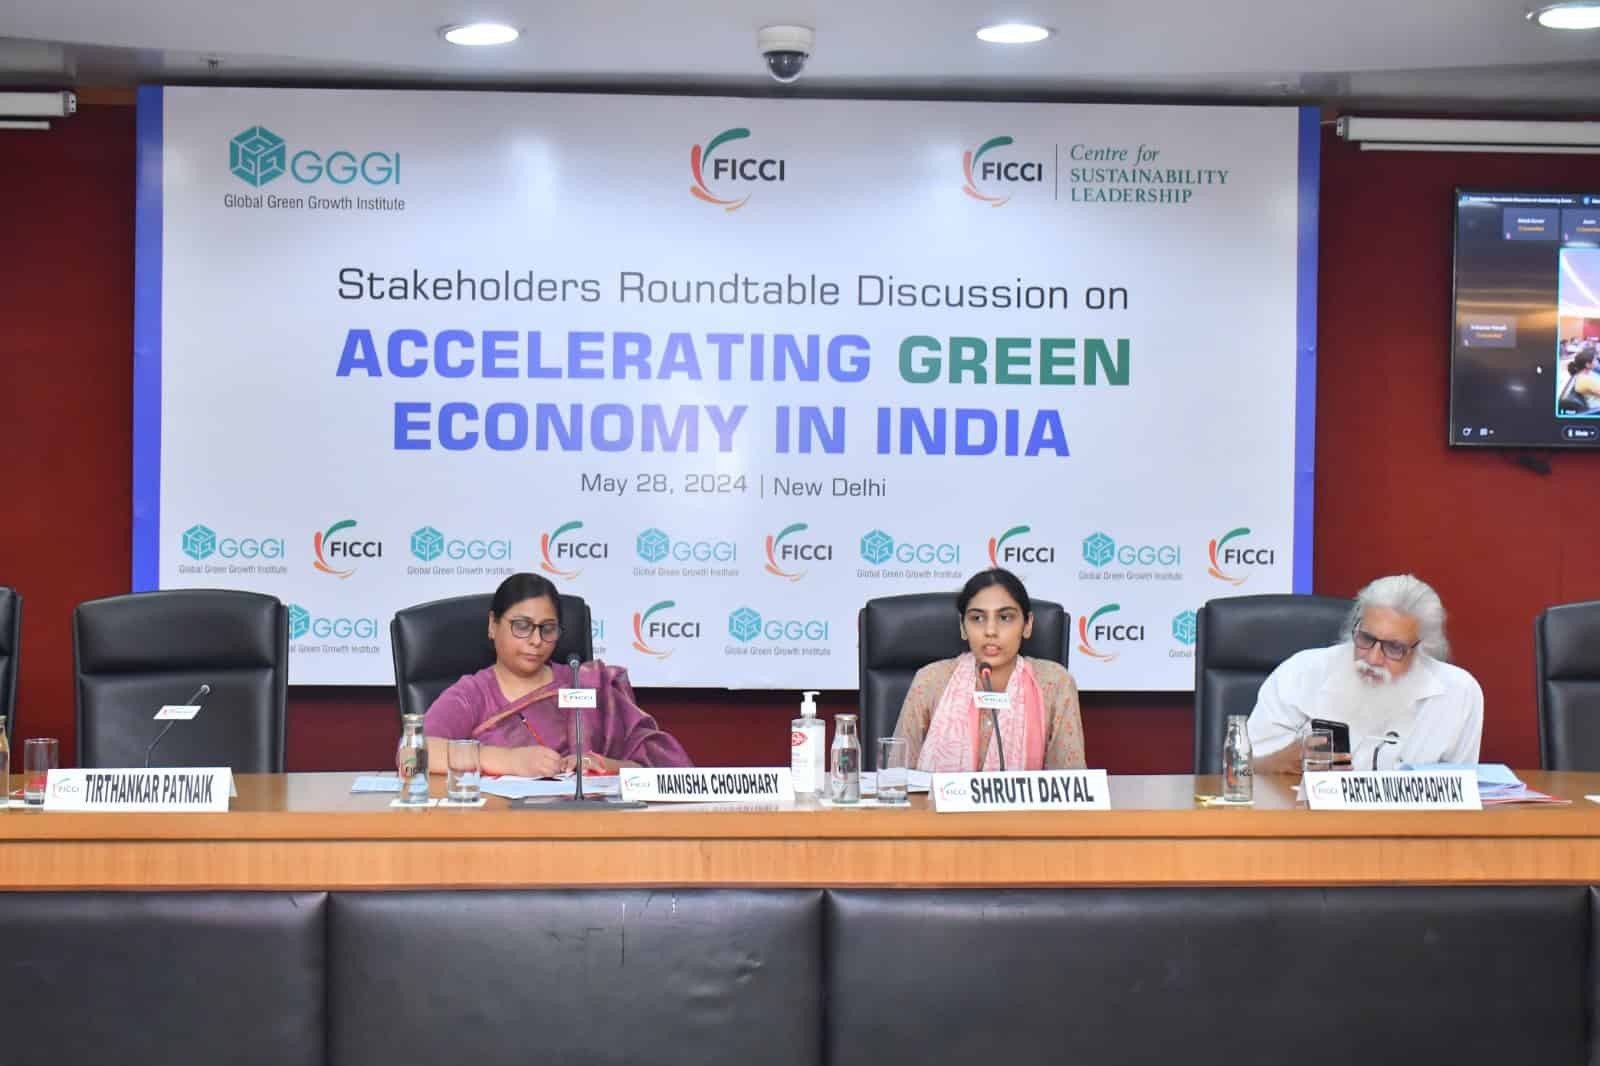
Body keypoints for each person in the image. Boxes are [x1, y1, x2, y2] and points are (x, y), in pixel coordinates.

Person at [423, 573, 691, 775]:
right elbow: (413, 753)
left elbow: (657, 768)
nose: (536, 640)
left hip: (590, 824)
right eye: (522, 626)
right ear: (493, 625)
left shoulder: (587, 685)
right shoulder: (472, 694)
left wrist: (603, 766)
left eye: (547, 629)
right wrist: (508, 761)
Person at [1248, 574, 1483, 773]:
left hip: (1412, 826)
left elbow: (1461, 794)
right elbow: (1245, 769)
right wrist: (1287, 760)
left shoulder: (1460, 693)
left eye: (1394, 648)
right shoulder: (1300, 673)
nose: (1372, 659)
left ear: (1424, 649)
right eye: (1366, 638)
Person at [892, 568, 1086, 771]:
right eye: (977, 618)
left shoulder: (1054, 683)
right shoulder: (930, 680)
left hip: (1026, 805)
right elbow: (896, 775)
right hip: (935, 804)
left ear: (1027, 624)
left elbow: (1071, 781)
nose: (990, 631)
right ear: (962, 626)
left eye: (1005, 618)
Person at [1559, 345, 1600, 414]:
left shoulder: (1584, 375)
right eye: (1595, 360)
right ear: (1587, 364)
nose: (1597, 361)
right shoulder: (1585, 380)